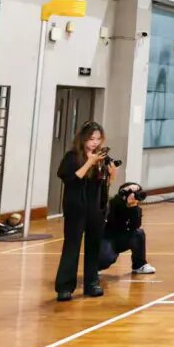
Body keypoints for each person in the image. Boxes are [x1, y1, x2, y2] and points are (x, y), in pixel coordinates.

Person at [54, 121, 117, 301]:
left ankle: (92, 283)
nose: (95, 143)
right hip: (76, 207)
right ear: (83, 139)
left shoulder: (102, 158)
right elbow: (72, 179)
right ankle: (65, 287)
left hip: (96, 208)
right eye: (91, 139)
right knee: (72, 245)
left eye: (98, 139)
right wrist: (90, 162)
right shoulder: (72, 157)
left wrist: (112, 172)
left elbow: (106, 183)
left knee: (94, 245)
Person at [99, 182, 155, 275]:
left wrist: (132, 208)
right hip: (106, 238)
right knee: (106, 259)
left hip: (121, 238)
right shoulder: (112, 203)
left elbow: (135, 226)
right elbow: (111, 219)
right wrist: (123, 196)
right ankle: (95, 267)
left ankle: (139, 265)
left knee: (138, 233)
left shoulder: (135, 208)